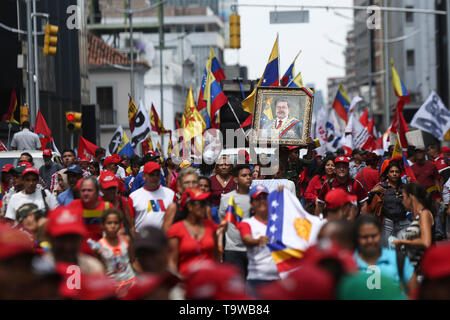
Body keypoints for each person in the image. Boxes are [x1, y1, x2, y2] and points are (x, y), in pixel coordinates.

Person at [353, 215, 417, 294]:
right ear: (357, 238)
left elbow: (414, 293)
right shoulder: (348, 263)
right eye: (364, 237)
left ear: (380, 234)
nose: (370, 241)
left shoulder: (399, 260)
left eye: (374, 236)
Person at [167, 188, 220, 276]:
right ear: (189, 206)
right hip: (186, 282)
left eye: (205, 202)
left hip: (210, 281)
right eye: (201, 203)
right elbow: (172, 263)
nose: (205, 206)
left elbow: (217, 256)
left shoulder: (211, 226)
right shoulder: (176, 230)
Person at [239, 185, 279, 295]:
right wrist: (257, 241)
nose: (262, 201)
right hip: (257, 279)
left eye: (264, 198)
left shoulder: (279, 222)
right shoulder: (247, 223)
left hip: (279, 278)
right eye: (258, 199)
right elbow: (246, 239)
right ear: (252, 204)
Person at [43, 206, 104, 275]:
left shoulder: (93, 269)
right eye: (62, 239)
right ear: (48, 237)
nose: (68, 246)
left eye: (73, 238)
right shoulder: (38, 272)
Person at [218, 164, 253, 277]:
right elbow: (222, 223)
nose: (248, 177)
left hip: (252, 250)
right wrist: (220, 246)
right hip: (232, 250)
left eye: (250, 175)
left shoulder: (258, 197)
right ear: (236, 179)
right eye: (244, 175)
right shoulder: (226, 198)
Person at [393, 183, 434, 273]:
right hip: (411, 270)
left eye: (403, 197)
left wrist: (401, 242)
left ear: (411, 197)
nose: (402, 202)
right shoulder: (416, 217)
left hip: (421, 270)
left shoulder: (424, 214)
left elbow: (426, 242)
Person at [93, 208, 136, 295]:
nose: (113, 226)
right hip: (113, 286)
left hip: (130, 282)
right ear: (103, 225)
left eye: (116, 223)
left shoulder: (126, 240)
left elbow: (133, 261)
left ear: (120, 225)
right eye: (109, 223)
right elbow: (101, 268)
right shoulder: (99, 246)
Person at [67, 176, 112, 254]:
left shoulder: (107, 207)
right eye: (83, 190)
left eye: (89, 190)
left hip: (102, 254)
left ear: (97, 191)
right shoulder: (73, 205)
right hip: (79, 255)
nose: (86, 193)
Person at [370, 161, 410, 247]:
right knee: (386, 248)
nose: (394, 174)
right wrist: (372, 192)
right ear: (387, 174)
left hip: (403, 222)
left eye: (397, 172)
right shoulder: (381, 187)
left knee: (404, 248)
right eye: (392, 172)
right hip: (387, 223)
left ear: (400, 174)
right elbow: (370, 203)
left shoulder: (405, 187)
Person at [130, 161, 175, 234]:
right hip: (142, 240)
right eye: (151, 175)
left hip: (163, 240)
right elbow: (131, 226)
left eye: (157, 175)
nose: (155, 178)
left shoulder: (170, 194)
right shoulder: (134, 197)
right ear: (144, 176)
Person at [99, 171, 135, 238]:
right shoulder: (98, 203)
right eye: (108, 188)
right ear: (101, 189)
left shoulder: (123, 201)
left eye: (113, 188)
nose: (112, 191)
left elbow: (131, 226)